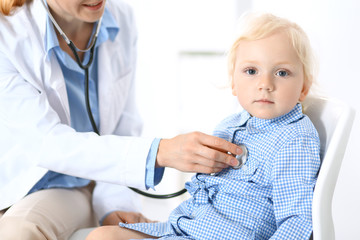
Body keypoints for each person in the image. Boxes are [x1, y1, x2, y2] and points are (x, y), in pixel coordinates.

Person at [0, 0, 243, 239]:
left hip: (76, 186)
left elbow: (122, 126)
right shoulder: (8, 35)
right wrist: (160, 152)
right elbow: (46, 143)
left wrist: (113, 204)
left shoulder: (119, 19)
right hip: (24, 182)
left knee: (18, 232)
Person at [86, 12, 321, 240]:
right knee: (102, 235)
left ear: (303, 87)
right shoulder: (231, 125)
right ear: (233, 83)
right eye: (251, 71)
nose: (265, 84)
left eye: (282, 72)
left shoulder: (294, 139)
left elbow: (298, 220)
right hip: (188, 225)